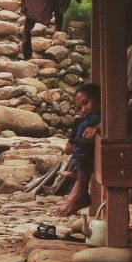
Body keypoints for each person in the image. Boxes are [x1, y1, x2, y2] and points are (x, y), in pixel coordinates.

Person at [56, 84, 102, 217]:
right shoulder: (85, 118)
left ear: (98, 99)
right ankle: (78, 185)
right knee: (80, 123)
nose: (83, 109)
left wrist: (99, 127)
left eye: (85, 103)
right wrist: (72, 141)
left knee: (83, 127)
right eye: (79, 108)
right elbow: (69, 148)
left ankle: (80, 188)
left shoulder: (98, 117)